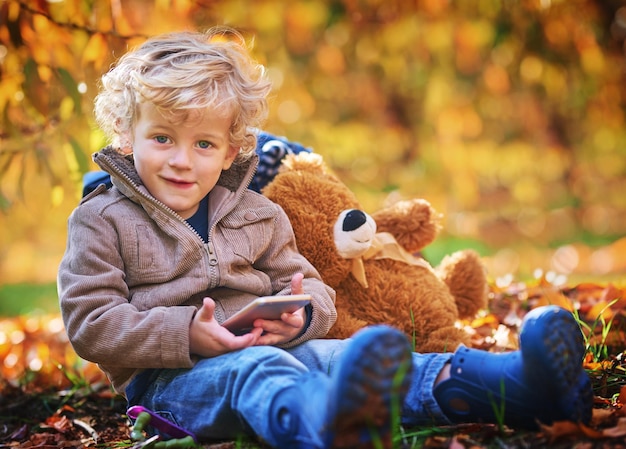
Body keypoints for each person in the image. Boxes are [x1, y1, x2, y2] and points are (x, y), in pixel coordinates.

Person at [58, 28, 594, 449]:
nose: (181, 159)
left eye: (202, 143)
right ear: (126, 137)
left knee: (348, 356)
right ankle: (324, 424)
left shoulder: (258, 212)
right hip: (172, 381)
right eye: (161, 138)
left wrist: (302, 316)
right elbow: (91, 322)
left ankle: (521, 384)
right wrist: (188, 335)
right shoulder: (102, 219)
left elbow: (313, 286)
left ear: (229, 151)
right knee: (253, 371)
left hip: (283, 347)